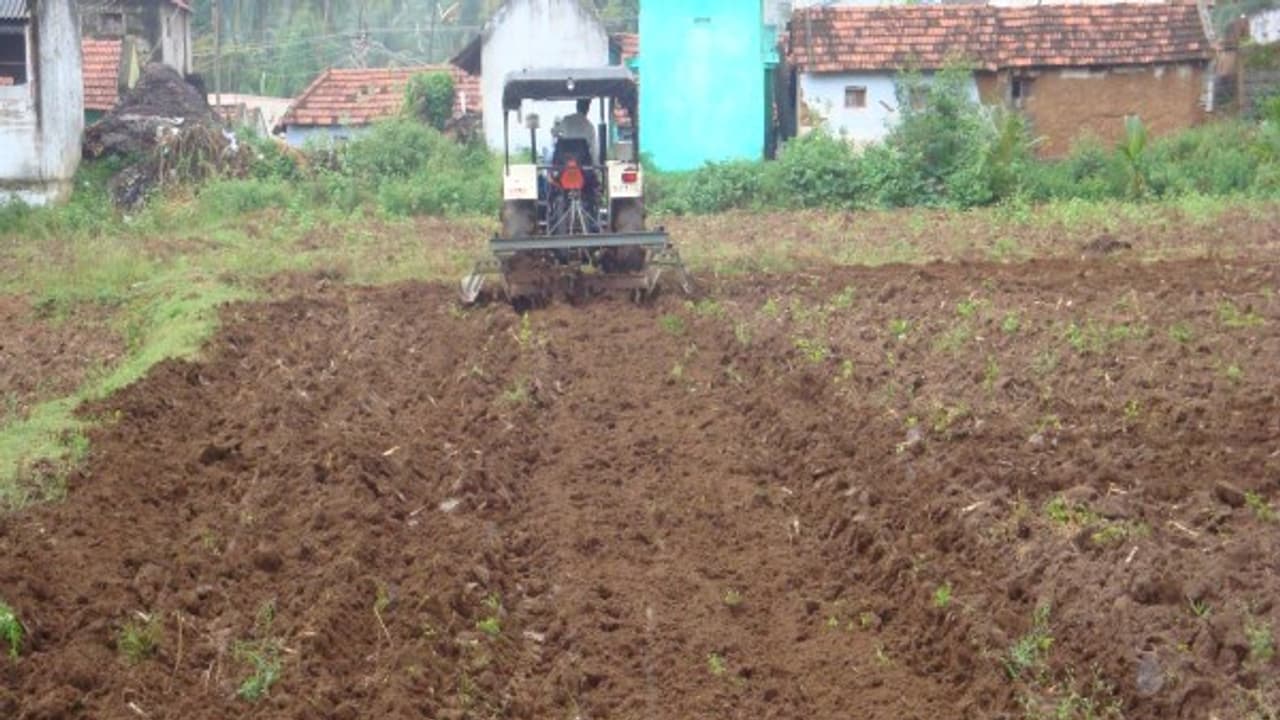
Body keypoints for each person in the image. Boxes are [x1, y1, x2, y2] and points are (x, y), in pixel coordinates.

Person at [556, 98, 598, 165]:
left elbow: (554, 132)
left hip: (564, 163)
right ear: (588, 109)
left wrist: (561, 137)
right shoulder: (590, 127)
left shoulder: (566, 119)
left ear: (577, 106)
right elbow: (594, 150)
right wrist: (596, 167)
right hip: (583, 165)